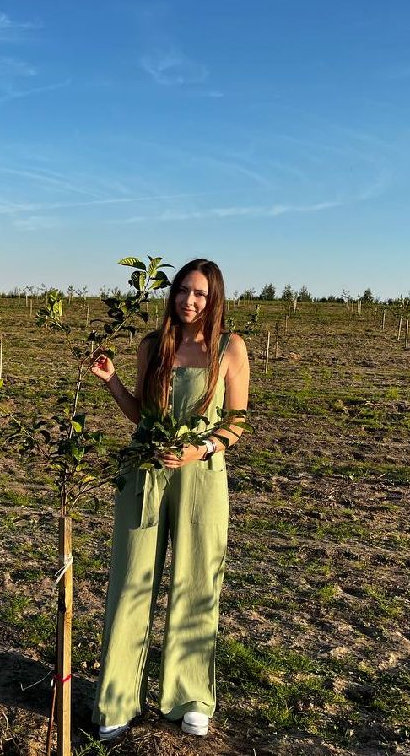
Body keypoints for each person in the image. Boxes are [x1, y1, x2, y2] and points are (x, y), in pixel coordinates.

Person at [89, 258, 249, 740]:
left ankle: (190, 697)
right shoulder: (153, 346)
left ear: (214, 298)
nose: (189, 300)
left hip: (202, 475)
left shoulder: (229, 348)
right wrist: (111, 381)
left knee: (197, 581)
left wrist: (201, 448)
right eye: (182, 290)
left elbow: (237, 421)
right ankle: (117, 698)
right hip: (146, 472)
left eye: (199, 293)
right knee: (130, 582)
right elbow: (141, 415)